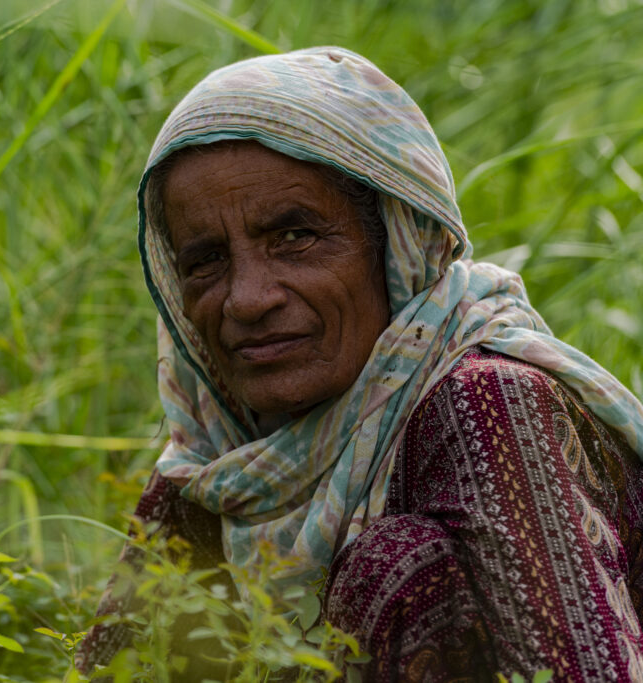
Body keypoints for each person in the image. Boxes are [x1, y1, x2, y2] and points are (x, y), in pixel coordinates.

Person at [77, 47, 643, 681]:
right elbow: (110, 670)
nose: (247, 298)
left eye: (295, 237)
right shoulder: (220, 459)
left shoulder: (487, 403)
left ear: (397, 247)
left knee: (398, 567)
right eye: (205, 260)